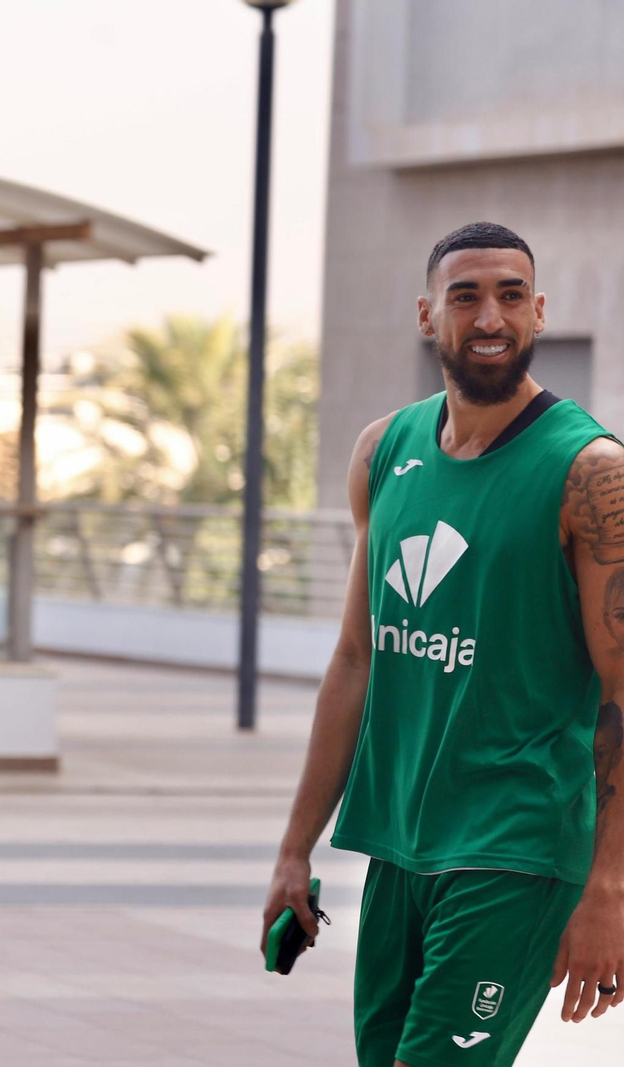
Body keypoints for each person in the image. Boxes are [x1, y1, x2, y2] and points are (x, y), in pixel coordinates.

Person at [261, 221, 624, 1067]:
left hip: (517, 846)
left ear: (537, 311)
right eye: (465, 296)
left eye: (508, 295)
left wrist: (610, 885)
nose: (488, 315)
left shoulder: (591, 473)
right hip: (400, 842)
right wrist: (293, 848)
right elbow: (355, 660)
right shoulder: (383, 451)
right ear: (429, 316)